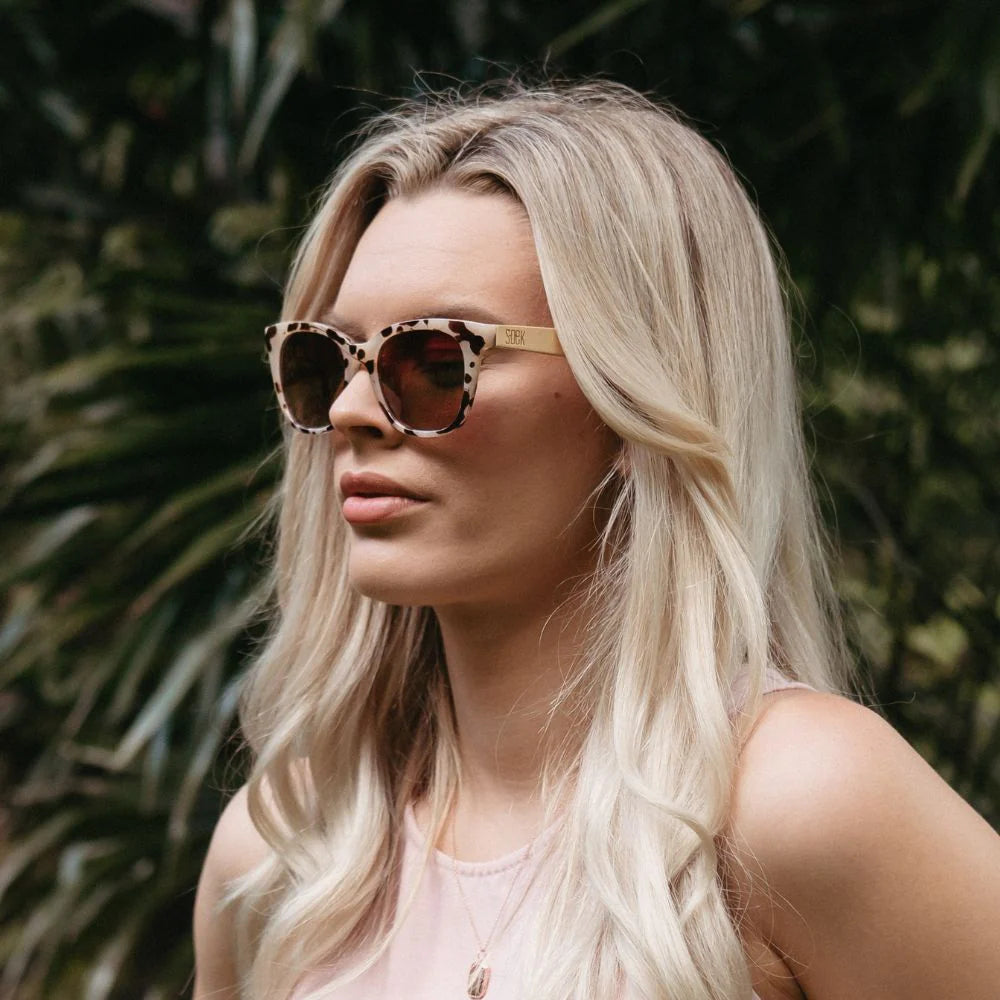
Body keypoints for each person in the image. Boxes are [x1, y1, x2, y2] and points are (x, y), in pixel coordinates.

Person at [192, 81, 1000, 1000]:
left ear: (634, 405)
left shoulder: (798, 803)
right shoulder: (283, 854)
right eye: (322, 361)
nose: (346, 412)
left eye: (432, 359)